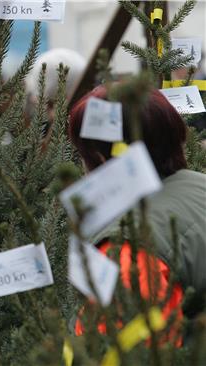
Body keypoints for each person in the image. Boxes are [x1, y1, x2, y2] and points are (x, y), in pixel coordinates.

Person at [68, 85, 206, 340]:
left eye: (82, 154)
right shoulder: (200, 185)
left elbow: (130, 351)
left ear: (99, 158)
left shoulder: (128, 250)